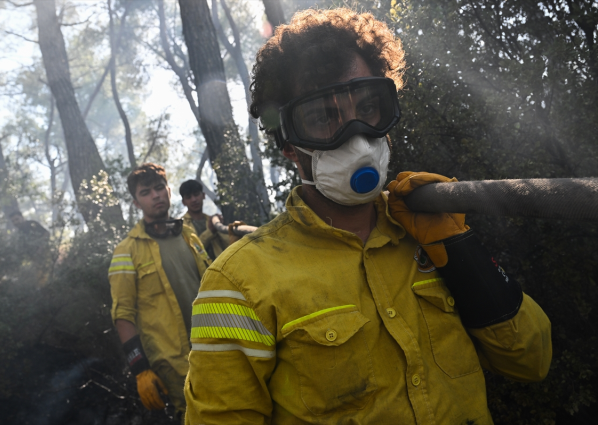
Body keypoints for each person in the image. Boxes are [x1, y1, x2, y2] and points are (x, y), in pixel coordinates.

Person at [184, 9, 552, 424]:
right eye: (324, 117)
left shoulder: (428, 232)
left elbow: (531, 361)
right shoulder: (237, 284)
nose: (355, 134)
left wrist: (458, 247)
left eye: (368, 107)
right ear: (288, 143)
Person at [108, 163, 210, 419]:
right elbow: (123, 315)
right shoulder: (127, 250)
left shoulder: (189, 236)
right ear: (136, 203)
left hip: (218, 350)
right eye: (145, 192)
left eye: (158, 188)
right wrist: (140, 369)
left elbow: (213, 286)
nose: (155, 195)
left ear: (168, 190)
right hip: (175, 367)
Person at [179, 179, 229, 260]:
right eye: (188, 197)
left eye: (196, 194)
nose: (194, 200)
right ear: (183, 202)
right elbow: (192, 251)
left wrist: (222, 228)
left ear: (203, 195)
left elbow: (229, 244)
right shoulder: (181, 226)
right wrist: (210, 232)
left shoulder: (213, 221)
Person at [9, 210, 50, 286]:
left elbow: (46, 234)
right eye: (13, 221)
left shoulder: (32, 224)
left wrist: (41, 248)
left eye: (17, 219)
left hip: (45, 254)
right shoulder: (19, 233)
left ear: (22, 217)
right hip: (33, 258)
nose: (16, 222)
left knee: (47, 273)